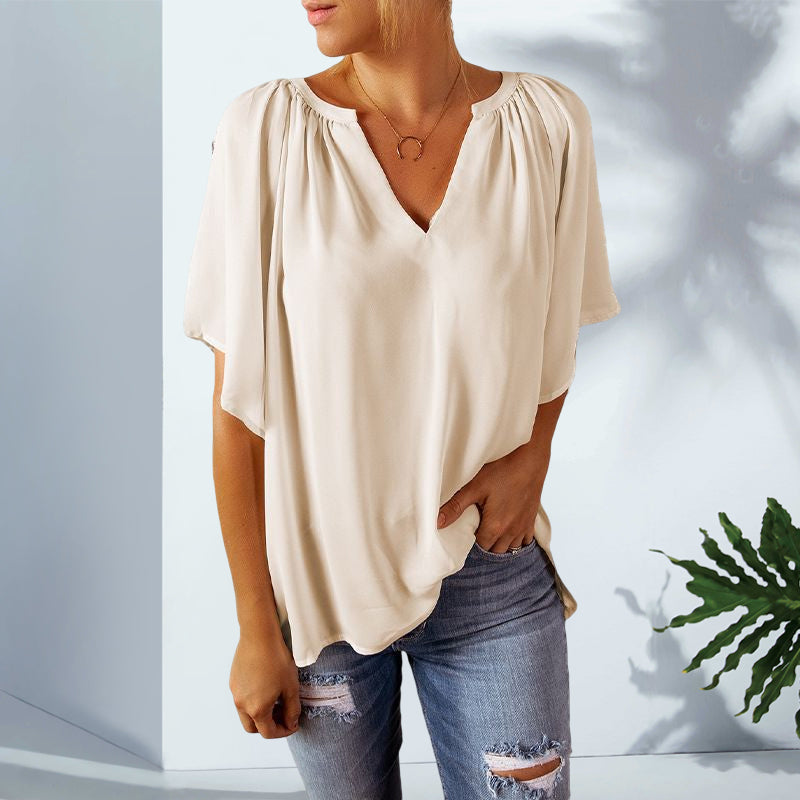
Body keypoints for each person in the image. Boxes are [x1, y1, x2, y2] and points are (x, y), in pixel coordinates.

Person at [182, 1, 621, 797]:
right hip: (319, 589)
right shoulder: (267, 131)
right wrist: (254, 625)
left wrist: (534, 454)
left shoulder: (545, 123)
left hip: (490, 574)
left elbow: (554, 329)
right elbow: (236, 411)